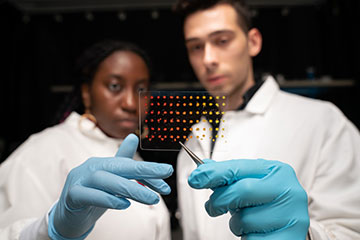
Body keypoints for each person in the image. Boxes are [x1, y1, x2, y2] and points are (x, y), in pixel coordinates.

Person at [173, 0, 360, 239]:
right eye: (196, 47)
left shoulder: (323, 122)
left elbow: (352, 230)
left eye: (222, 41)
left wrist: (305, 236)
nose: (208, 59)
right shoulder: (194, 138)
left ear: (253, 42)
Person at [0, 40, 174, 239]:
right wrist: (54, 229)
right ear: (86, 93)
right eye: (115, 86)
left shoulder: (130, 153)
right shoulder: (42, 150)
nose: (131, 103)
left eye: (141, 89)